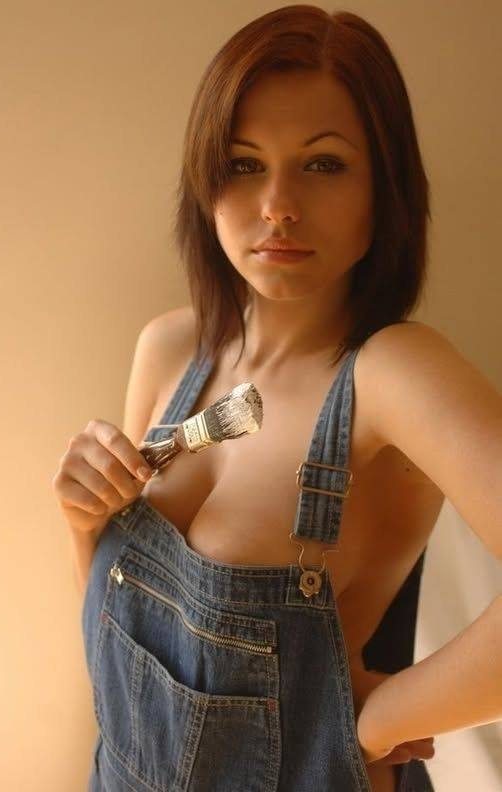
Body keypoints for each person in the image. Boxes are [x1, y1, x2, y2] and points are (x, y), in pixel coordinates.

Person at [54, 6, 502, 791]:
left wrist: (378, 721)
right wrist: (85, 520)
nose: (278, 205)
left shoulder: (390, 377)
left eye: (323, 164)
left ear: (384, 189)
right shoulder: (169, 348)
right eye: (243, 163)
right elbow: (119, 628)